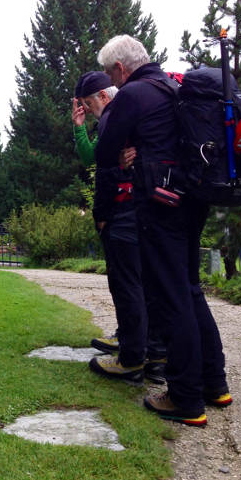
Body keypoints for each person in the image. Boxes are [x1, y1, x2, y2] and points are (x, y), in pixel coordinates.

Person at [94, 35, 231, 427]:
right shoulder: (173, 88)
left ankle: (185, 399)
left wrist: (124, 151)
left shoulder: (134, 94)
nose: (111, 80)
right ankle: (214, 384)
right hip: (191, 199)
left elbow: (105, 152)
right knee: (190, 289)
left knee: (171, 298)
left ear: (121, 68)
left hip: (159, 206)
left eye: (109, 73)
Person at [72, 71, 166, 385]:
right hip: (138, 208)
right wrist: (80, 129)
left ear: (103, 96)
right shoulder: (129, 115)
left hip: (128, 209)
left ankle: (133, 356)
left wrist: (103, 212)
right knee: (143, 285)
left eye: (89, 103)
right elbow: (96, 158)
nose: (90, 109)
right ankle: (149, 353)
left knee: (130, 286)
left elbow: (104, 165)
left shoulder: (120, 117)